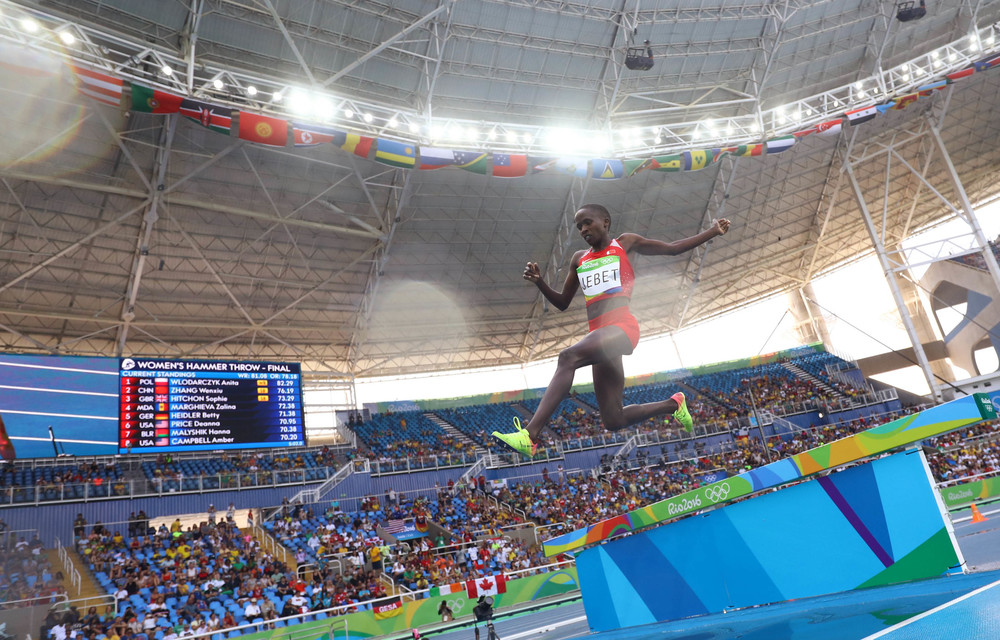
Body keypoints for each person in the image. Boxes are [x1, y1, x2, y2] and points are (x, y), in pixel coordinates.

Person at [493, 204, 730, 457]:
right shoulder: (579, 259)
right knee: (613, 420)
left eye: (587, 222)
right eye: (578, 226)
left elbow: (672, 249)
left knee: (567, 357)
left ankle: (530, 435)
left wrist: (712, 231)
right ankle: (673, 404)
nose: (583, 229)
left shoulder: (624, 243)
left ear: (605, 222)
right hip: (601, 339)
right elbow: (562, 303)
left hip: (621, 329)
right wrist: (540, 282)